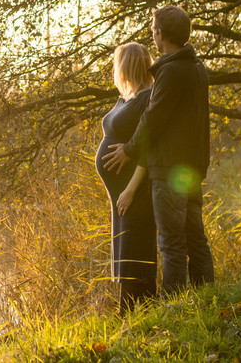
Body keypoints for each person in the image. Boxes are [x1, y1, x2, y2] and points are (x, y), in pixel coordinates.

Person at [103, 4, 214, 296]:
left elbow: (153, 119)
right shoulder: (195, 67)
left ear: (160, 34)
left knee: (171, 243)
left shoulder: (171, 71)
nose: (153, 36)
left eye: (153, 31)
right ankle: (206, 296)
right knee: (195, 238)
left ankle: (174, 305)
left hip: (169, 170)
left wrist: (128, 149)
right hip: (191, 167)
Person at [95, 42, 157, 314]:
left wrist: (131, 189)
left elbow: (149, 148)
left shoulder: (147, 98)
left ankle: (135, 311)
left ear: (128, 64)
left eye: (118, 63)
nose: (115, 69)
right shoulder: (127, 97)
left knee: (136, 244)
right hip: (119, 188)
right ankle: (130, 312)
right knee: (125, 243)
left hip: (133, 186)